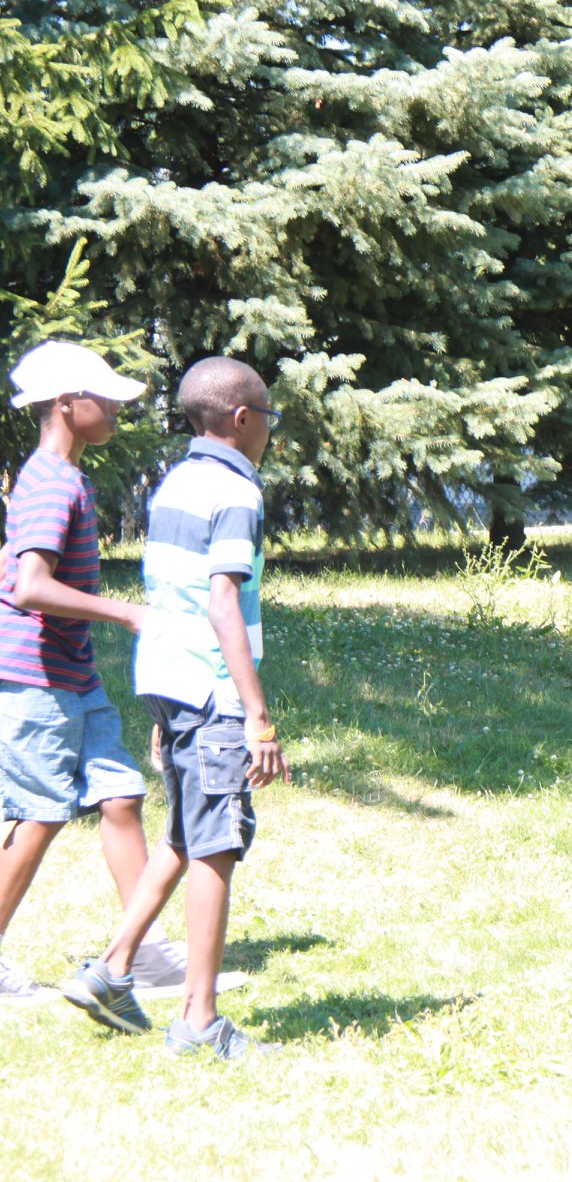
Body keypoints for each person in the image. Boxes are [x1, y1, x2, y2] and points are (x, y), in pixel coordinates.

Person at [62, 356, 289, 1059]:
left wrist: (167, 713)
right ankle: (199, 1020)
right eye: (269, 418)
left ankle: (110, 969)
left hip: (167, 678)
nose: (270, 430)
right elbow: (221, 600)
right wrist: (256, 715)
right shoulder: (236, 492)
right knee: (216, 846)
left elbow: (172, 595)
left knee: (185, 837)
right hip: (212, 689)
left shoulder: (175, 483)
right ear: (243, 419)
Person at [0, 340, 187, 1000]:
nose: (115, 409)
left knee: (120, 794)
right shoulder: (51, 481)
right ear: (65, 405)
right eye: (104, 398)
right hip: (34, 677)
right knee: (42, 813)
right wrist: (127, 615)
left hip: (71, 672)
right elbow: (28, 587)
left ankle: (150, 951)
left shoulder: (64, 476)